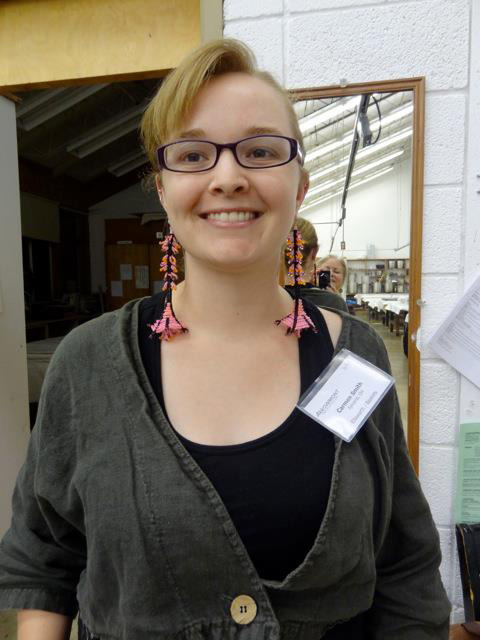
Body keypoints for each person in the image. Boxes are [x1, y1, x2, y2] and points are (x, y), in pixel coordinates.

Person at [0, 38, 450, 639]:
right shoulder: (87, 364)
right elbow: (43, 560)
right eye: (193, 155)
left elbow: (405, 565)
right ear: (161, 187)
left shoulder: (356, 355)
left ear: (300, 185)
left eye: (261, 150)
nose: (229, 177)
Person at [283, 218, 348, 313]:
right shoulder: (334, 303)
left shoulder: (264, 299)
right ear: (314, 252)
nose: (331, 274)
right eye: (327, 269)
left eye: (336, 271)